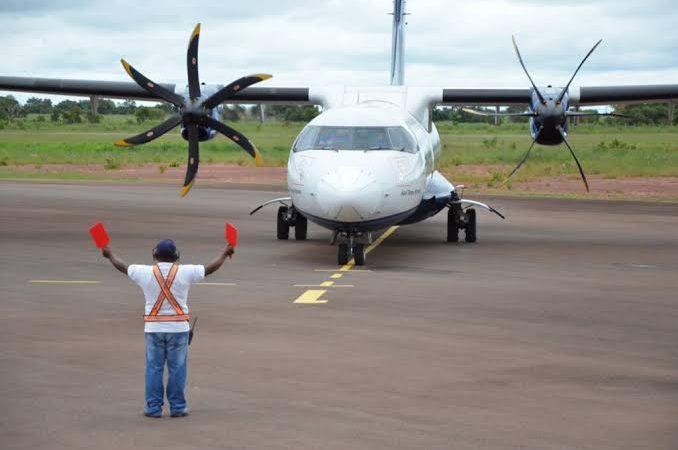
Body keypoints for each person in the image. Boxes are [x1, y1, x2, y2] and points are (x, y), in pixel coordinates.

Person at [102, 239, 234, 418]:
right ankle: (178, 407)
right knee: (177, 369)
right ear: (176, 256)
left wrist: (109, 254)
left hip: (153, 328)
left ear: (155, 255)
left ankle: (153, 408)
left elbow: (122, 266)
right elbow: (209, 268)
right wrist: (225, 253)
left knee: (154, 368)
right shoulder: (185, 272)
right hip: (178, 329)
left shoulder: (144, 272)